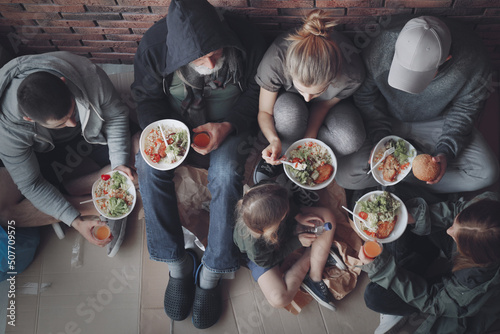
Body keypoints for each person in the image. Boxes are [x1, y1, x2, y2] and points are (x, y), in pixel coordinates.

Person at [131, 0, 266, 328]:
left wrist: (230, 124)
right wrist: (165, 133)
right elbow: (146, 98)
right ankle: (176, 262)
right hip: (177, 130)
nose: (210, 61)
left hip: (228, 130)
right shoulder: (152, 47)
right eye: (199, 57)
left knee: (225, 172)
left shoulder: (249, 39)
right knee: (147, 165)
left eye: (216, 51)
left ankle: (214, 270)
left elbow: (257, 91)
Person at [336, 16, 499, 193]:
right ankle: (414, 178)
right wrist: (380, 138)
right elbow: (366, 98)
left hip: (437, 123)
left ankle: (406, 178)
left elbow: (465, 110)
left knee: (488, 173)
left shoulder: (474, 63)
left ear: (446, 59)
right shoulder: (379, 45)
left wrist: (446, 151)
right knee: (345, 175)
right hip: (386, 119)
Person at [0, 51, 133, 257]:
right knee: (7, 215)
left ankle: (105, 187)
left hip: (92, 133)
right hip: (42, 153)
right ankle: (100, 205)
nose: (71, 124)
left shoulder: (88, 74)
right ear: (29, 119)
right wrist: (74, 220)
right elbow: (31, 184)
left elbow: (116, 116)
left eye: (71, 113)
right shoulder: (7, 131)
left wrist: (118, 163)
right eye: (61, 123)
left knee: (142, 149)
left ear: (63, 82)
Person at [357, 190, 500, 334]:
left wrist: (383, 269)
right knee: (397, 199)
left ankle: (411, 264)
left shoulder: (473, 284)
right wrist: (414, 217)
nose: (448, 231)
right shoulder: (489, 209)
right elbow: (455, 210)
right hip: (443, 248)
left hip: (442, 290)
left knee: (374, 296)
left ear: (472, 255)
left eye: (456, 237)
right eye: (456, 221)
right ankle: (420, 255)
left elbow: (432, 301)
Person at [253, 9, 366, 184]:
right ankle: (284, 154)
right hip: (289, 103)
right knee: (290, 115)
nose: (307, 98)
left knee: (351, 139)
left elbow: (323, 105)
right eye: (302, 89)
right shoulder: (276, 59)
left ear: (332, 78)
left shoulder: (352, 74)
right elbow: (265, 112)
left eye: (317, 91)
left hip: (330, 107)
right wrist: (273, 139)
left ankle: (301, 156)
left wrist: (309, 138)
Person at [234, 183, 344, 311]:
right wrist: (297, 242)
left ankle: (315, 277)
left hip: (282, 227)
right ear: (273, 228)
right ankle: (311, 255)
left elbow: (285, 201)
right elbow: (268, 261)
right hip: (267, 257)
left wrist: (299, 215)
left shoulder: (265, 191)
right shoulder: (255, 247)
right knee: (279, 299)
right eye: (285, 212)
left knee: (327, 217)